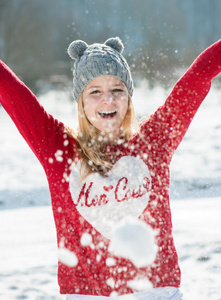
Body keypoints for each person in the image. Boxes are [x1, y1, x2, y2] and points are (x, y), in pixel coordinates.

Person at [0, 36, 220, 300]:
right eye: (95, 91)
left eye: (118, 89)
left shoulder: (154, 141)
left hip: (157, 292)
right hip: (86, 295)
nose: (108, 100)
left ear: (129, 96)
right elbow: (10, 90)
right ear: (80, 101)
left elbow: (198, 76)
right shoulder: (58, 149)